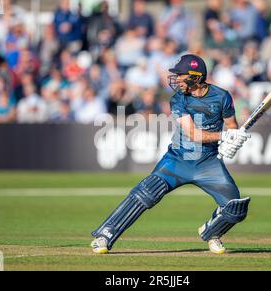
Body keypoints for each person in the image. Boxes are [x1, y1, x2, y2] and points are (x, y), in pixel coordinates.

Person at [91, 54, 251, 254]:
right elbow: (193, 134)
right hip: (178, 159)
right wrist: (224, 136)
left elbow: (231, 127)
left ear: (195, 76)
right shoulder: (178, 99)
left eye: (180, 75)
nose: (176, 80)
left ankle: (212, 232)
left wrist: (234, 139)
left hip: (208, 162)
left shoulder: (222, 96)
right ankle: (105, 235)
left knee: (236, 208)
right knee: (146, 193)